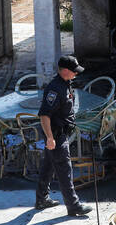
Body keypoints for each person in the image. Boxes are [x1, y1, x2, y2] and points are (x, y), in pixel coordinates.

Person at [35, 55, 93, 216]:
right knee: (64, 170)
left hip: (59, 133)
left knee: (48, 165)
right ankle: (73, 206)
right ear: (66, 71)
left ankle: (41, 199)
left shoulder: (66, 84)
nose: (76, 74)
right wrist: (50, 138)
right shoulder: (55, 89)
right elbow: (44, 115)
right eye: (74, 72)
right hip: (55, 135)